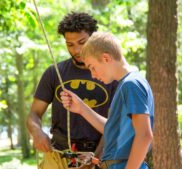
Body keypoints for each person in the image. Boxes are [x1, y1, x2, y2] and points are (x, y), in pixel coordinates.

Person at [26, 13, 117, 169]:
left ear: (94, 38)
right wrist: (37, 132)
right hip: (57, 156)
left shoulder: (110, 75)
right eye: (70, 44)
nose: (77, 50)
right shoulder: (54, 72)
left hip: (98, 156)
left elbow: (115, 124)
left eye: (82, 42)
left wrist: (96, 159)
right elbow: (34, 114)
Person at [60, 32, 154, 169]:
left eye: (92, 67)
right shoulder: (125, 85)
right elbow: (112, 129)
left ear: (106, 58)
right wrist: (81, 108)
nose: (92, 75)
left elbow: (144, 135)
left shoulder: (131, 84)